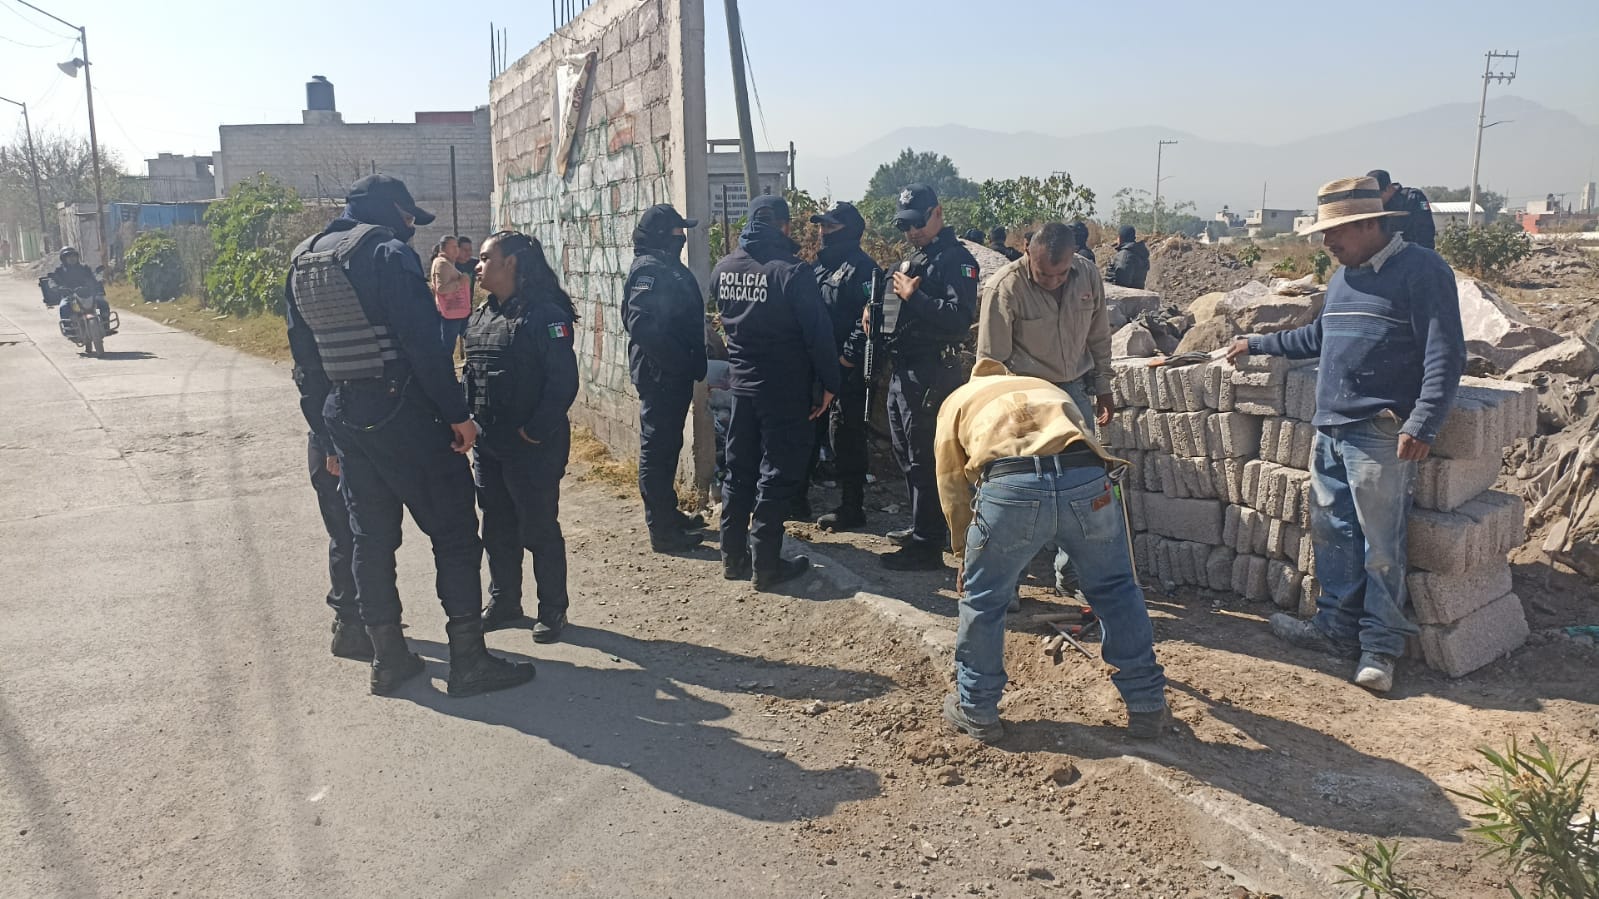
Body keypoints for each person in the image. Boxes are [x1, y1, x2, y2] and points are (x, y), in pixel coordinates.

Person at [285, 173, 536, 698]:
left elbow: (306, 364)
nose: (409, 231)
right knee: (454, 532)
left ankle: (388, 658)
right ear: (393, 211)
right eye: (408, 219)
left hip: (343, 415)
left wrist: (325, 435)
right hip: (403, 410)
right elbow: (423, 345)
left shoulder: (303, 259)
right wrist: (457, 415)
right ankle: (468, 660)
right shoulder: (384, 254)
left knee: (370, 538)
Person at [1227, 175, 1465, 694]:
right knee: (1333, 533)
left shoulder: (1422, 271)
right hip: (1331, 426)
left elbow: (1445, 353)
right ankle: (1335, 628)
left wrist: (1423, 421)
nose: (1327, 243)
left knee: (1381, 545)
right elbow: (1318, 336)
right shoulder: (1343, 278)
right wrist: (1256, 342)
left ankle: (1380, 646)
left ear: (1371, 224)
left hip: (1380, 432)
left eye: (1337, 233)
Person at [935, 358, 1168, 742]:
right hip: (1086, 481)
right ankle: (1146, 705)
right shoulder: (1047, 388)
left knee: (984, 600)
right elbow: (1086, 438)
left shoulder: (958, 400)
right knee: (1115, 589)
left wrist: (964, 553)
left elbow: (952, 484)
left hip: (1012, 489)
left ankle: (976, 708)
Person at [976, 222, 1114, 593]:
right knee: (1021, 490)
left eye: (1060, 273)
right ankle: (1009, 583)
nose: (1052, 281)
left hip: (1073, 397)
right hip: (1026, 398)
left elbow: (1099, 334)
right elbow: (991, 364)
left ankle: (1072, 575)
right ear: (1025, 251)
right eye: (1043, 274)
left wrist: (1103, 386)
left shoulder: (1087, 276)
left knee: (1081, 488)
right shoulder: (1005, 288)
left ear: (1073, 260)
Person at [712, 194, 840, 590]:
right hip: (783, 390)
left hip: (742, 388)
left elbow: (725, 322)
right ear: (784, 227)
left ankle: (733, 556)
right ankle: (765, 563)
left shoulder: (724, 268)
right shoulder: (792, 273)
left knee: (739, 470)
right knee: (777, 474)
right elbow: (819, 336)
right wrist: (830, 385)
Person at [464, 231, 579, 643]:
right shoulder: (482, 315)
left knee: (537, 527)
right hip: (489, 444)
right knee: (496, 526)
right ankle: (505, 601)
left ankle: (552, 608)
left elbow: (563, 382)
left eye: (484, 258)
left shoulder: (544, 315)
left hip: (532, 446)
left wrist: (535, 431)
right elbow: (471, 377)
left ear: (510, 264)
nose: (477, 266)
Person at [873, 183, 980, 571]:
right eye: (905, 226)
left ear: (937, 213)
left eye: (918, 223)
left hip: (934, 369)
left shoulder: (956, 260)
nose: (912, 232)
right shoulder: (915, 258)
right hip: (905, 368)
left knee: (924, 454)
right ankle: (922, 525)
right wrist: (874, 319)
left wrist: (914, 298)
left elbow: (958, 317)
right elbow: (893, 310)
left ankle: (928, 543)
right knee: (907, 453)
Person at [622, 204, 709, 552]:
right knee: (657, 451)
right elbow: (643, 325)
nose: (682, 237)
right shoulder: (648, 270)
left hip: (672, 373)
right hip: (660, 374)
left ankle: (668, 514)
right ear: (660, 235)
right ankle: (662, 530)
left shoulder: (664, 266)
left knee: (668, 446)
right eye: (677, 232)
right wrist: (678, 362)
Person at [807, 201, 880, 532]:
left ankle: (852, 506)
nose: (822, 232)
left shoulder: (864, 270)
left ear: (847, 232)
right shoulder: (818, 267)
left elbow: (867, 320)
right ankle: (797, 497)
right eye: (820, 226)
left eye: (829, 227)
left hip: (847, 368)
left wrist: (845, 359)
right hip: (819, 365)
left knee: (845, 435)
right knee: (810, 430)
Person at [1368, 170, 1436, 251]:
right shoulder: (1372, 205)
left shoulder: (1413, 199)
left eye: (1378, 195)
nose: (1375, 200)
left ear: (1389, 188)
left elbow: (1426, 233)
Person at [431, 235, 472, 353]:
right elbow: (441, 288)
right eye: (453, 247)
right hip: (450, 312)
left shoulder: (447, 262)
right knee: (447, 348)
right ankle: (446, 370)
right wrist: (460, 282)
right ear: (443, 248)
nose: (456, 250)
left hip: (457, 310)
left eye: (457, 247)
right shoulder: (442, 263)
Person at [49, 246, 109, 325]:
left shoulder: (84, 268)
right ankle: (68, 328)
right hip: (69, 296)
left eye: (74, 256)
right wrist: (56, 287)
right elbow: (52, 280)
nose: (72, 258)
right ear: (64, 259)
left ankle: (106, 325)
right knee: (63, 307)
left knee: (102, 302)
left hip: (87, 294)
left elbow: (92, 277)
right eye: (69, 256)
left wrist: (99, 280)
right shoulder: (59, 271)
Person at [1106, 225, 1149, 289]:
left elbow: (1121, 284)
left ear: (1121, 238)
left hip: (1121, 296)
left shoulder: (1124, 256)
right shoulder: (1139, 253)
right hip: (1136, 295)